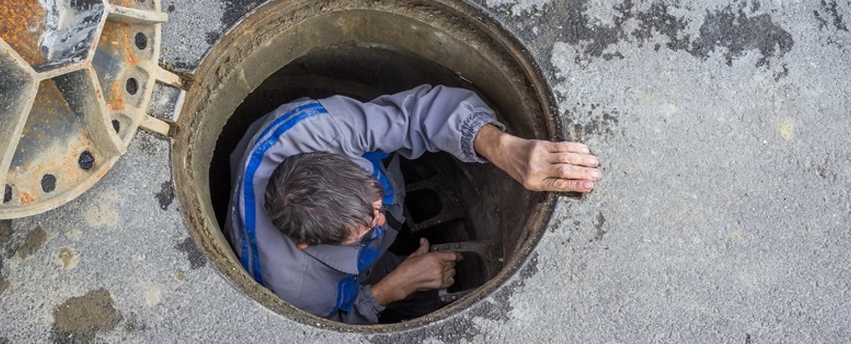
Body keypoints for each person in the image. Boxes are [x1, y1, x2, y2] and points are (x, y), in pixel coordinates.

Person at [226, 84, 600, 324]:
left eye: (375, 200)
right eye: (365, 229)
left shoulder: (316, 129)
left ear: (329, 154)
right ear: (305, 243)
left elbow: (416, 115)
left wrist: (503, 148)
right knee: (424, 305)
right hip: (351, 279)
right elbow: (330, 328)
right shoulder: (297, 289)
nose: (381, 219)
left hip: (356, 256)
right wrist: (390, 289)